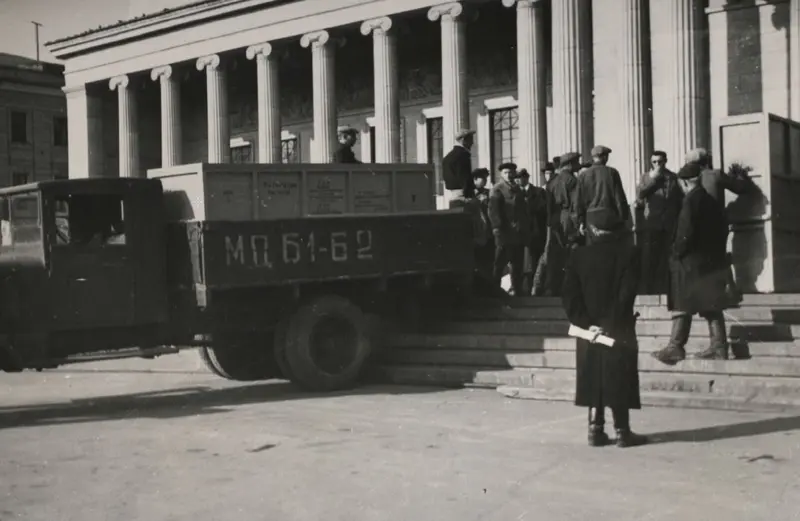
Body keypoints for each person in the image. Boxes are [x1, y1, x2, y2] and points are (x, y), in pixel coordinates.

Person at [562, 213, 647, 448]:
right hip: (618, 327)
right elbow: (626, 294)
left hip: (588, 330)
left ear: (593, 230)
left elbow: (570, 296)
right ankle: (622, 431)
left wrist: (587, 323)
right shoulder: (629, 254)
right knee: (619, 375)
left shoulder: (578, 255)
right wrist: (612, 324)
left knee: (592, 375)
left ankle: (595, 430)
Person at [651, 162, 733, 364]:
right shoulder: (710, 201)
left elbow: (684, 235)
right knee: (711, 305)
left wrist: (676, 253)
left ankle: (675, 346)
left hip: (689, 263)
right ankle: (719, 346)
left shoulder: (690, 201)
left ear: (684, 183)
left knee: (682, 303)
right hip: (710, 262)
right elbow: (723, 230)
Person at [688, 147, 753, 306]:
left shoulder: (685, 179)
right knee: (719, 258)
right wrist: (741, 175)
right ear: (707, 160)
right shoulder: (715, 174)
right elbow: (740, 188)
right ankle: (729, 290)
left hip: (694, 226)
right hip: (716, 225)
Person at [635, 150, 683, 295]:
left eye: (660, 162)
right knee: (650, 257)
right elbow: (640, 194)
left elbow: (678, 198)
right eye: (654, 162)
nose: (658, 165)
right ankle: (649, 289)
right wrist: (653, 179)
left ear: (665, 161)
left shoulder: (673, 177)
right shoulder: (646, 177)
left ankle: (667, 288)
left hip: (669, 222)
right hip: (652, 223)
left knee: (668, 256)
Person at [573, 145, 631, 244]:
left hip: (591, 216)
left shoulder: (583, 175)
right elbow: (619, 198)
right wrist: (623, 218)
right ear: (604, 157)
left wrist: (580, 222)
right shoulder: (612, 172)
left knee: (594, 250)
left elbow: (578, 202)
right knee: (610, 248)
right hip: (609, 214)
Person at [543, 152, 581, 295]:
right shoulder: (573, 181)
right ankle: (570, 287)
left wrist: (550, 223)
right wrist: (578, 224)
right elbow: (576, 204)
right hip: (568, 218)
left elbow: (548, 206)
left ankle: (551, 288)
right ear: (570, 164)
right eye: (577, 162)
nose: (578, 165)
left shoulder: (552, 182)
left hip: (554, 220)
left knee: (554, 255)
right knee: (571, 252)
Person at [489, 162, 529, 296]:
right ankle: (495, 289)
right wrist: (497, 228)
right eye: (506, 172)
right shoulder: (497, 189)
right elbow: (494, 211)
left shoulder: (517, 188)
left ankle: (517, 289)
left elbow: (523, 210)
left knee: (517, 262)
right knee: (499, 262)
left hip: (517, 232)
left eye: (511, 172)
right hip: (504, 231)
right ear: (501, 174)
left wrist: (524, 226)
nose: (509, 175)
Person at [515, 168, 549, 296]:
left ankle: (534, 288)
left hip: (535, 231)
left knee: (534, 260)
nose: (518, 180)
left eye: (520, 177)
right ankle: (523, 289)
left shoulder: (539, 192)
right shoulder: (516, 192)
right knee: (521, 261)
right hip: (521, 232)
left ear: (526, 178)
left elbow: (542, 209)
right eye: (517, 178)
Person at [441, 129, 476, 206]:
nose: (472, 143)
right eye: (471, 140)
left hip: (454, 194)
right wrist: (470, 195)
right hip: (464, 196)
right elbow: (464, 177)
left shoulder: (448, 157)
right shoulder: (462, 155)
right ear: (464, 140)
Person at [471, 168, 494, 281]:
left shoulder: (489, 193)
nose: (485, 181)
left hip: (488, 232)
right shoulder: (470, 195)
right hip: (477, 232)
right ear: (475, 179)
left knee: (489, 260)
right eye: (483, 178)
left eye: (486, 178)